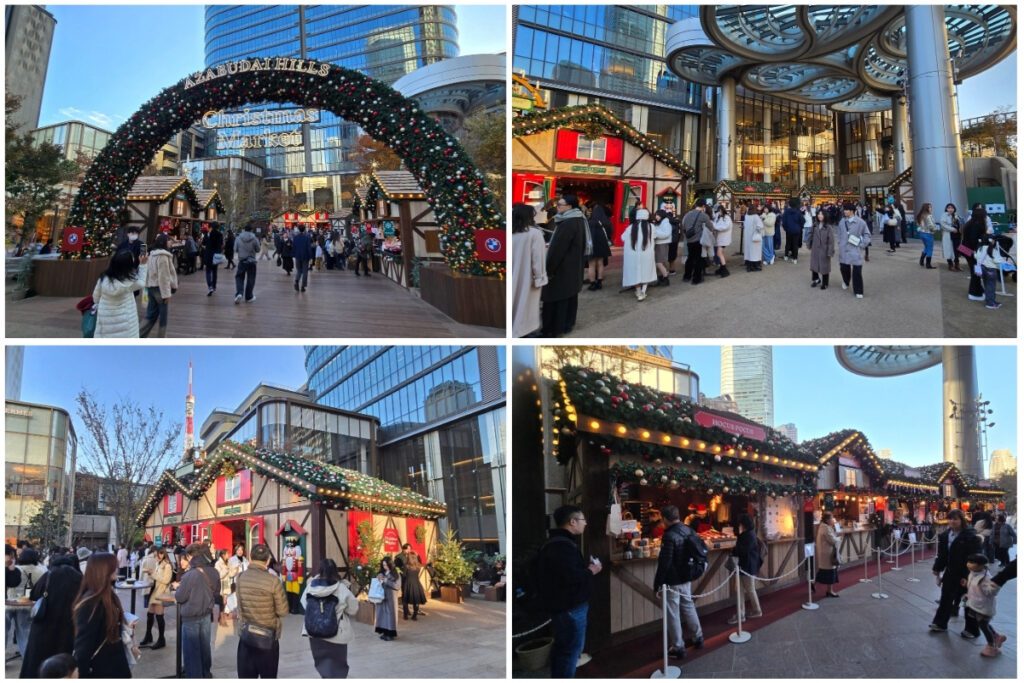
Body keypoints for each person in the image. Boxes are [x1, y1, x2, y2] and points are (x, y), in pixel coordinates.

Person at [537, 505, 601, 678]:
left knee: (564, 650)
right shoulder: (562, 547)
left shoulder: (556, 543)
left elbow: (565, 574)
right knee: (570, 652)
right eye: (582, 520)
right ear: (572, 522)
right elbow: (571, 577)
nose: (585, 523)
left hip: (564, 607)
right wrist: (592, 570)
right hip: (570, 608)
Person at [653, 505, 704, 660]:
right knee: (688, 606)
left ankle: (678, 647)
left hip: (672, 580)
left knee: (673, 612)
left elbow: (665, 562)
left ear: (665, 519)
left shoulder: (668, 536)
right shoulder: (688, 529)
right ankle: (698, 637)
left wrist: (657, 583)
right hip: (686, 576)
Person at [20, 552, 80, 678]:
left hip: (44, 626)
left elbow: (34, 595)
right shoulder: (78, 577)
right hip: (68, 626)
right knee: (63, 663)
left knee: (37, 662)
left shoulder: (48, 576)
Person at [235, 543, 289, 678]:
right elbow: (283, 611)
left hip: (246, 635)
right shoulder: (273, 581)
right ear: (268, 560)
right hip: (268, 638)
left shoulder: (241, 578)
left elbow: (239, 605)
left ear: (251, 558)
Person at [72, 553, 130, 678]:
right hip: (102, 669)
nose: (117, 568)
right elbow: (83, 646)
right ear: (103, 570)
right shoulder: (90, 603)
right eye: (113, 566)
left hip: (115, 663)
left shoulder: (108, 595)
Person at [300, 559, 359, 678]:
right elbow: (353, 609)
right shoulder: (341, 588)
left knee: (321, 663)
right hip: (336, 632)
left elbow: (304, 603)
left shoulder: (311, 586)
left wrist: (317, 613)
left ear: (320, 571)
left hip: (314, 631)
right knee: (338, 665)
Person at [929, 508, 982, 633]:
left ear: (961, 520)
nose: (952, 521)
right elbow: (942, 554)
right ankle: (940, 623)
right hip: (950, 571)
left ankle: (972, 629)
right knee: (945, 598)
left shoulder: (970, 536)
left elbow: (975, 557)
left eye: (955, 519)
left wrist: (968, 575)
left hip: (966, 572)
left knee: (968, 601)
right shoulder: (946, 535)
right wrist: (937, 568)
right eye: (950, 518)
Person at [541, 195, 588, 337]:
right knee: (569, 298)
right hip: (573, 267)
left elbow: (558, 250)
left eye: (561, 204)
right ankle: (567, 324)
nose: (558, 207)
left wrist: (549, 269)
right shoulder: (579, 219)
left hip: (563, 269)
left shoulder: (568, 223)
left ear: (570, 206)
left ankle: (553, 329)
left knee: (557, 300)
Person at [174, 544, 219, 679]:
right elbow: (217, 592)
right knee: (205, 648)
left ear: (192, 556)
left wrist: (178, 588)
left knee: (192, 652)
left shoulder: (190, 575)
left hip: (191, 617)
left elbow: (180, 597)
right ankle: (206, 674)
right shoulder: (214, 571)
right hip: (206, 614)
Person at [511, 203, 547, 337]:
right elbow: (538, 259)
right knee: (525, 306)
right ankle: (522, 331)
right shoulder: (534, 234)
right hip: (527, 277)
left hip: (514, 274)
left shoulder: (509, 233)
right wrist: (540, 278)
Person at [92, 250, 147, 338]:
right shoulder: (129, 283)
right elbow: (142, 282)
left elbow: (95, 298)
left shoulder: (103, 279)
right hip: (125, 325)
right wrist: (143, 265)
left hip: (105, 322)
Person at [962, 553, 1006, 656]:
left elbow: (991, 592)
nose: (969, 564)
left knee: (983, 626)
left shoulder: (986, 578)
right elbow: (974, 584)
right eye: (969, 561)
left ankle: (991, 646)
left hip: (984, 606)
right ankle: (997, 637)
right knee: (982, 624)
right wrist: (966, 583)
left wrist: (995, 587)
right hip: (975, 604)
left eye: (973, 563)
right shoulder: (973, 573)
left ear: (982, 565)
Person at [138, 233, 177, 338]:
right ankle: (161, 337)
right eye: (169, 240)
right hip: (160, 290)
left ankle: (138, 334)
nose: (171, 242)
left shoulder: (151, 254)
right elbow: (164, 277)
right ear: (164, 242)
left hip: (151, 288)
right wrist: (167, 294)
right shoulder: (163, 256)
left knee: (150, 315)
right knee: (163, 318)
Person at [12, 548, 48, 659]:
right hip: (31, 604)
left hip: (11, 603)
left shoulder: (14, 569)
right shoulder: (42, 570)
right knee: (26, 631)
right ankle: (29, 655)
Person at [727, 514, 763, 624]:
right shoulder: (750, 534)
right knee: (741, 590)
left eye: (740, 524)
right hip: (747, 566)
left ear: (744, 524)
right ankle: (741, 613)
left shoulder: (748, 535)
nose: (739, 526)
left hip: (746, 567)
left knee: (748, 589)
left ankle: (755, 611)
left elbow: (743, 551)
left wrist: (734, 549)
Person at [621, 208, 658, 302]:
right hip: (647, 253)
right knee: (647, 271)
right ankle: (643, 291)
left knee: (634, 272)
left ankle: (638, 291)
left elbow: (622, 238)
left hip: (633, 254)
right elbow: (655, 236)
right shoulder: (651, 226)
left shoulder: (631, 227)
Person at [140, 547, 172, 650]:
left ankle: (161, 639)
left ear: (163, 554)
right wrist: (151, 573)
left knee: (159, 616)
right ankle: (148, 635)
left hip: (161, 593)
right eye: (156, 554)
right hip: (154, 591)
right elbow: (158, 577)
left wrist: (153, 574)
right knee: (149, 614)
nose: (157, 556)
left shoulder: (167, 566)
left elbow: (166, 580)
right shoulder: (158, 564)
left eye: (159, 554)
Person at [837, 202, 870, 299]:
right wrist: (840, 242)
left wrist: (862, 244)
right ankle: (846, 281)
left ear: (852, 211)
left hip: (855, 249)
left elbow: (867, 235)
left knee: (857, 270)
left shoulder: (861, 222)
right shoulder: (842, 221)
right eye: (844, 209)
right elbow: (839, 233)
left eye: (846, 210)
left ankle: (858, 290)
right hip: (844, 248)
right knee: (844, 267)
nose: (845, 211)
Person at [680, 200, 713, 285]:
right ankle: (696, 279)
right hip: (698, 240)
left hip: (689, 239)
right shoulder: (703, 215)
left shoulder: (687, 214)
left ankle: (687, 276)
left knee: (690, 258)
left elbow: (683, 225)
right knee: (699, 259)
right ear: (703, 206)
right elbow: (711, 227)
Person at [233, 221, 261, 304]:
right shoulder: (254, 238)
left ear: (244, 230)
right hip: (252, 261)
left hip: (242, 261)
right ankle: (249, 297)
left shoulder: (238, 238)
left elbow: (235, 249)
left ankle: (239, 293)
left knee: (239, 277)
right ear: (251, 230)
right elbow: (258, 249)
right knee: (251, 279)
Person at [585, 203, 612, 291]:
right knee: (600, 263)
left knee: (591, 265)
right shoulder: (606, 222)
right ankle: (599, 282)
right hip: (602, 244)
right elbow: (610, 233)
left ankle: (593, 283)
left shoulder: (590, 222)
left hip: (591, 245)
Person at [807, 207, 835, 290]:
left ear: (825, 215)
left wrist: (830, 251)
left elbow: (831, 241)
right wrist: (809, 244)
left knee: (824, 266)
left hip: (824, 249)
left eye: (822, 214)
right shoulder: (815, 225)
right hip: (815, 248)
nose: (820, 216)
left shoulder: (828, 227)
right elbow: (810, 235)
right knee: (814, 265)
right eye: (818, 214)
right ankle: (816, 279)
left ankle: (825, 282)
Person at [374, 558, 401, 642]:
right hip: (381, 597)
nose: (385, 567)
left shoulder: (396, 574)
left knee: (390, 615)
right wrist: (378, 578)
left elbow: (397, 586)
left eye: (386, 565)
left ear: (390, 564)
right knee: (382, 615)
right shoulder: (382, 573)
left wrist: (386, 581)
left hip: (391, 598)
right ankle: (384, 632)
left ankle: (390, 634)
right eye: (383, 565)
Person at [977, 234, 1006, 310]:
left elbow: (976, 256)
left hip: (982, 269)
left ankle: (990, 301)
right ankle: (990, 303)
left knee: (987, 286)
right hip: (991, 270)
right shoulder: (993, 250)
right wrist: (1005, 263)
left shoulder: (980, 248)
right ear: (992, 241)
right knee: (991, 287)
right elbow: (997, 260)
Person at [814, 512, 840, 597]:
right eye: (831, 518)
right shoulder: (825, 528)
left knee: (823, 572)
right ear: (827, 519)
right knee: (829, 573)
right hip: (827, 553)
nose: (833, 520)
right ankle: (830, 591)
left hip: (826, 553)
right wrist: (838, 538)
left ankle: (814, 584)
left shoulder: (825, 527)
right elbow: (832, 540)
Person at [401, 551, 427, 621]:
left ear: (409, 558)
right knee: (416, 600)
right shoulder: (418, 566)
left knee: (405, 599)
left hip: (408, 583)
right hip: (416, 583)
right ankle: (414, 616)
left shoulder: (406, 566)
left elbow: (404, 575)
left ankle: (405, 615)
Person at [200, 225, 224, 296]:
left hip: (208, 255)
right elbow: (221, 245)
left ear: (211, 227)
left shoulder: (207, 235)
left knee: (208, 272)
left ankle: (210, 286)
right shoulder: (220, 234)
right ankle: (214, 286)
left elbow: (203, 243)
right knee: (214, 271)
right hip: (216, 256)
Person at [940, 203, 962, 271]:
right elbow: (943, 225)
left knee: (957, 250)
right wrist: (952, 229)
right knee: (948, 251)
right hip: (948, 235)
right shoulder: (944, 215)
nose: (950, 209)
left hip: (957, 236)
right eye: (949, 208)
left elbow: (960, 223)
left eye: (952, 208)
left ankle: (957, 264)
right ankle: (950, 265)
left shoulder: (956, 215)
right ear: (946, 209)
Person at [741, 204, 764, 272]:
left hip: (748, 237)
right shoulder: (756, 216)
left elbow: (745, 225)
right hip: (754, 237)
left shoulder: (747, 216)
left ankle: (749, 266)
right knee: (755, 252)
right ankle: (756, 266)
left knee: (748, 251)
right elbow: (760, 226)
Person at [292, 225, 314, 293]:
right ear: (304, 230)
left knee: (299, 270)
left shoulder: (295, 238)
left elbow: (294, 247)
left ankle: (296, 281)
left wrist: (294, 255)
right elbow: (309, 248)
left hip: (298, 256)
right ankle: (303, 286)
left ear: (298, 229)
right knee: (305, 272)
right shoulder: (307, 238)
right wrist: (311, 257)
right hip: (305, 256)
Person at [780, 198, 803, 263]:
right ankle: (795, 258)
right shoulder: (798, 212)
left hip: (789, 230)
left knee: (788, 243)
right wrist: (799, 227)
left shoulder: (786, 212)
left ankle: (786, 256)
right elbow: (802, 221)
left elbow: (783, 222)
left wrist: (786, 228)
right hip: (796, 231)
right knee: (795, 244)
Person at [712, 204, 732, 277]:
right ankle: (722, 268)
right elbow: (715, 223)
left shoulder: (727, 218)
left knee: (719, 253)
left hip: (724, 239)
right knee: (720, 253)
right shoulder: (718, 216)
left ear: (722, 210)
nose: (717, 213)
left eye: (719, 211)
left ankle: (724, 269)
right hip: (720, 238)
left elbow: (724, 227)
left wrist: (714, 226)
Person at [916, 203, 937, 269]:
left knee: (926, 247)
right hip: (928, 234)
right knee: (930, 248)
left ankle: (921, 260)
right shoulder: (928, 216)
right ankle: (928, 264)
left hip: (922, 233)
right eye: (930, 207)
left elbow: (918, 225)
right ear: (926, 208)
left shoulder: (921, 215)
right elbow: (931, 226)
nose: (931, 208)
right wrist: (934, 230)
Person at [214, 549, 232, 626]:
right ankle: (222, 618)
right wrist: (226, 570)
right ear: (223, 555)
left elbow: (230, 574)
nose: (228, 555)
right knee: (222, 602)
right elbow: (218, 575)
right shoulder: (218, 563)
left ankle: (221, 617)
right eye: (227, 554)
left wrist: (235, 570)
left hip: (227, 584)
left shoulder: (228, 562)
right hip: (221, 585)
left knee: (224, 602)